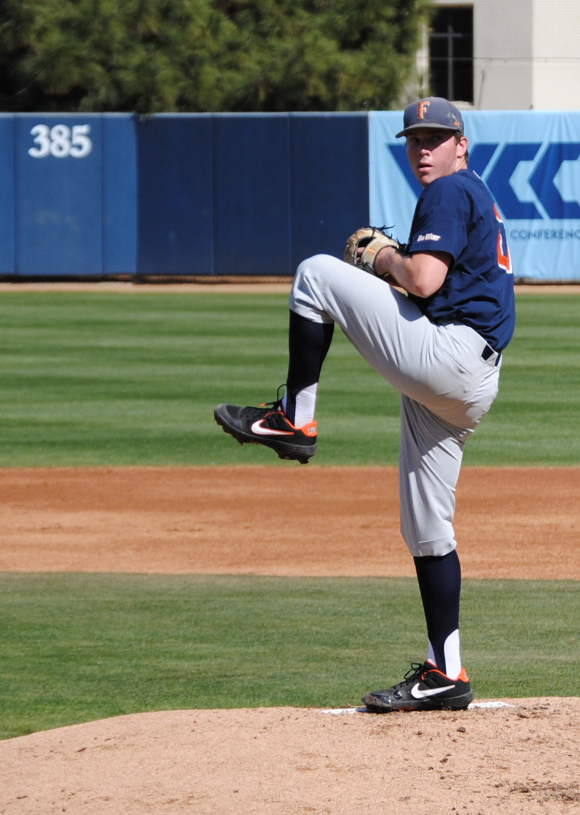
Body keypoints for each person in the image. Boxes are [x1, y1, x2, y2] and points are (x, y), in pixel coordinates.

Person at [212, 97, 513, 712]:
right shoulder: (477, 193)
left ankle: (295, 418)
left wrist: (380, 257)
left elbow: (423, 281)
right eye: (414, 140)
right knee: (427, 530)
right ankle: (446, 672)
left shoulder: (451, 192)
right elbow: (438, 286)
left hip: (449, 356)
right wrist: (390, 267)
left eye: (436, 138)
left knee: (315, 274)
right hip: (471, 381)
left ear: (462, 144)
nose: (423, 149)